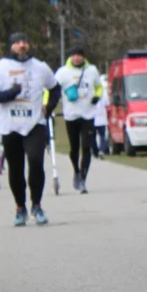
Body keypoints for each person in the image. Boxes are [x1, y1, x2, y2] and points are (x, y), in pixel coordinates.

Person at [0, 32, 60, 226]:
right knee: (16, 168)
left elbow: (55, 88)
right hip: (10, 126)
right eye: (18, 42)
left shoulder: (40, 67)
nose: (22, 45)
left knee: (36, 161)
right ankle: (20, 207)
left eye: (25, 42)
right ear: (11, 46)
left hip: (35, 123)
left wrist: (49, 107)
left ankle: (37, 205)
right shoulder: (0, 68)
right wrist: (11, 93)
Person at [54, 46, 103, 193]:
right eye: (74, 55)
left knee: (86, 147)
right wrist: (48, 104)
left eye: (79, 55)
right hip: (71, 114)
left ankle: (83, 178)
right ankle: (76, 170)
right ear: (70, 57)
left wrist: (97, 97)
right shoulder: (62, 72)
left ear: (83, 56)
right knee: (74, 148)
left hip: (87, 114)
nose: (77, 58)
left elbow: (99, 87)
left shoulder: (92, 70)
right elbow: (52, 89)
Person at [92, 80, 109, 158]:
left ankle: (95, 151)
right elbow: (107, 104)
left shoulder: (91, 93)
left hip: (92, 118)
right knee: (102, 136)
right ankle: (101, 150)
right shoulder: (104, 94)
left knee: (93, 136)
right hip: (101, 118)